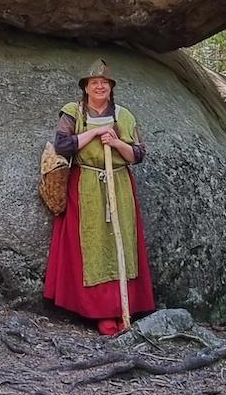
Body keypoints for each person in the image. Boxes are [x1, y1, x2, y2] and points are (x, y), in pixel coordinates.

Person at [43, 59, 156, 334]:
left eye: (104, 83)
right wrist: (94, 132)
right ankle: (100, 312)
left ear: (111, 87)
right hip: (87, 185)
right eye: (94, 83)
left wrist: (117, 142)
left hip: (119, 183)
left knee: (123, 244)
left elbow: (138, 154)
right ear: (86, 87)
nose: (99, 86)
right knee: (91, 244)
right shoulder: (74, 112)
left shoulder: (124, 115)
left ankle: (123, 308)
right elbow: (63, 144)